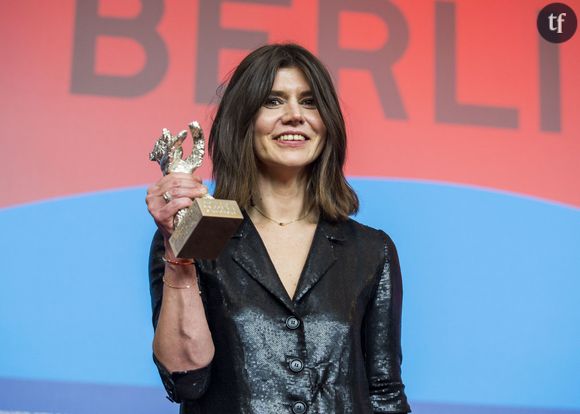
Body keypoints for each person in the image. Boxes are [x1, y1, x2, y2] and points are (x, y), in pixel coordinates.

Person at [146, 43, 411, 414]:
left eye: (309, 101)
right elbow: (186, 380)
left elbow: (385, 393)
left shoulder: (371, 250)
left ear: (327, 123)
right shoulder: (191, 237)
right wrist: (179, 257)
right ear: (243, 121)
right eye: (272, 101)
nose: (294, 115)